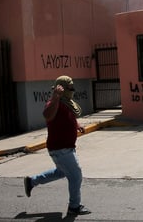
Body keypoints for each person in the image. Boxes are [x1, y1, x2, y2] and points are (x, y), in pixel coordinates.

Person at [23, 75, 91, 215]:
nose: (72, 90)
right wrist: (55, 97)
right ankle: (74, 207)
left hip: (64, 148)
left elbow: (66, 118)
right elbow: (48, 115)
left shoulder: (65, 103)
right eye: (70, 88)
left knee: (61, 172)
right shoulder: (54, 102)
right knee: (76, 175)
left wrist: (77, 125)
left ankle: (31, 181)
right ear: (62, 88)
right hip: (61, 149)